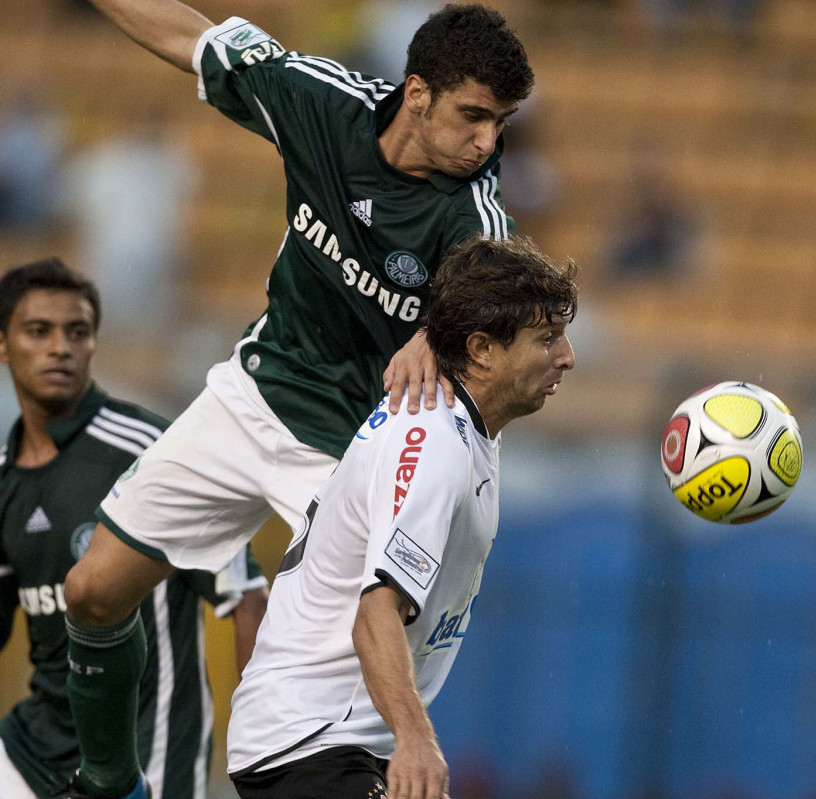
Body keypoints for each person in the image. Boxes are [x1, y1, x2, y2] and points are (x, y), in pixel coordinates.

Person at [59, 3, 535, 798]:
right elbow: (189, 36)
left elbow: (511, 301)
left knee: (333, 700)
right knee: (93, 589)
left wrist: (445, 329)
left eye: (502, 123)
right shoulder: (320, 100)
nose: (488, 143)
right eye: (474, 116)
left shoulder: (472, 214)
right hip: (254, 393)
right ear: (416, 93)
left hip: (345, 460)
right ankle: (110, 784)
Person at [225, 236, 577, 799]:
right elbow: (375, 612)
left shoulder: (463, 428)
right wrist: (416, 740)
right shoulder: (434, 440)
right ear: (482, 349)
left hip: (327, 741)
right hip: (313, 739)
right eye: (547, 338)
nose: (566, 356)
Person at [0, 258, 268, 799]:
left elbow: (246, 597)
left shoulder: (153, 452)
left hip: (149, 754)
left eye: (77, 332)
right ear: (3, 345)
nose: (60, 348)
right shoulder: (3, 476)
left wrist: (264, 751)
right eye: (38, 331)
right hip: (34, 750)